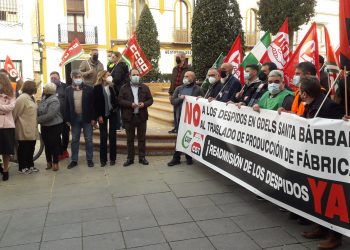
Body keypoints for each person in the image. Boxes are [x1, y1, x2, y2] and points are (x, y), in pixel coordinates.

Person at [300, 76, 343, 250]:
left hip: (329, 162)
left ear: (304, 93)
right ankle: (322, 227)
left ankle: (335, 236)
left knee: (332, 197)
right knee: (318, 195)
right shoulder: (312, 104)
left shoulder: (329, 107)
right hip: (316, 159)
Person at [168, 71, 204, 167]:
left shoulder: (198, 89)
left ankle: (189, 157)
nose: (185, 78)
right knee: (179, 138)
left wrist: (200, 100)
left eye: (187, 76)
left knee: (190, 137)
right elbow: (173, 101)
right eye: (184, 76)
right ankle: (176, 158)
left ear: (192, 78)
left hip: (191, 120)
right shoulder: (179, 89)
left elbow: (202, 103)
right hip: (180, 118)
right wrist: (180, 99)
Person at [118, 68, 153, 167]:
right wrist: (130, 104)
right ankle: (130, 158)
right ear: (129, 76)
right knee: (130, 139)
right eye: (134, 75)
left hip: (141, 117)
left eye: (137, 74)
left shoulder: (145, 87)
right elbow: (120, 100)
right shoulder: (124, 88)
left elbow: (150, 100)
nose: (136, 76)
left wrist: (144, 104)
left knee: (142, 138)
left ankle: (142, 157)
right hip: (129, 117)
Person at [65, 70, 95, 169]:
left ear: (82, 78)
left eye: (79, 77)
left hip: (87, 118)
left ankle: (89, 159)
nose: (78, 79)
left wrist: (93, 118)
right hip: (74, 118)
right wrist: (67, 119)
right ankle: (74, 160)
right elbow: (66, 105)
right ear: (72, 78)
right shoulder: (68, 89)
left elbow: (93, 105)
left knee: (89, 140)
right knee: (74, 140)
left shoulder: (89, 89)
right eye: (76, 77)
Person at [13, 80, 39, 174]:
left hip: (32, 128)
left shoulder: (32, 98)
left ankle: (30, 165)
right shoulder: (21, 99)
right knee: (24, 149)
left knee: (31, 148)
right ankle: (22, 167)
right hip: (23, 128)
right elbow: (15, 113)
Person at [93, 70, 118, 167]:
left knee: (113, 136)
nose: (110, 77)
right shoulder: (97, 88)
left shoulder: (112, 86)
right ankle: (103, 160)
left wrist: (115, 107)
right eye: (108, 75)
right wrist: (98, 116)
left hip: (113, 113)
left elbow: (117, 98)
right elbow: (95, 103)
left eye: (110, 75)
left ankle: (113, 159)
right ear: (103, 77)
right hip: (102, 115)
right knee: (103, 137)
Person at [37, 83, 63, 171]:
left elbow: (50, 115)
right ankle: (49, 162)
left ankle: (55, 163)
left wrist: (37, 120)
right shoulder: (44, 98)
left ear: (48, 90)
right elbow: (39, 109)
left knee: (54, 144)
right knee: (47, 145)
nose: (43, 89)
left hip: (54, 126)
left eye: (44, 88)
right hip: (45, 126)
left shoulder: (54, 100)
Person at [168, 52, 192, 134]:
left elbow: (191, 80)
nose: (177, 58)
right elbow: (172, 81)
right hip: (175, 92)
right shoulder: (175, 68)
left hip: (184, 92)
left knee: (182, 112)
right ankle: (176, 127)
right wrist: (170, 93)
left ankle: (182, 129)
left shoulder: (189, 68)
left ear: (183, 58)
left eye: (178, 57)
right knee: (175, 111)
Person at [50, 71, 69, 160]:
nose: (53, 80)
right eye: (52, 78)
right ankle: (60, 151)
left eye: (55, 78)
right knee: (56, 136)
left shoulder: (65, 87)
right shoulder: (48, 88)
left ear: (59, 78)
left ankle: (64, 150)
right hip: (55, 117)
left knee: (65, 135)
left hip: (65, 116)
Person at [0, 73, 16, 181]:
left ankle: (6, 169)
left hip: (7, 125)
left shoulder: (11, 93)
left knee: (6, 150)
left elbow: (11, 107)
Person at [108, 51, 129, 130]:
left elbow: (117, 78)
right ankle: (124, 125)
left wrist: (110, 80)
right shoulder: (120, 65)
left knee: (118, 108)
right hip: (122, 89)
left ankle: (118, 125)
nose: (111, 58)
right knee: (123, 108)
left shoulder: (119, 66)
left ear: (117, 57)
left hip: (118, 89)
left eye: (113, 57)